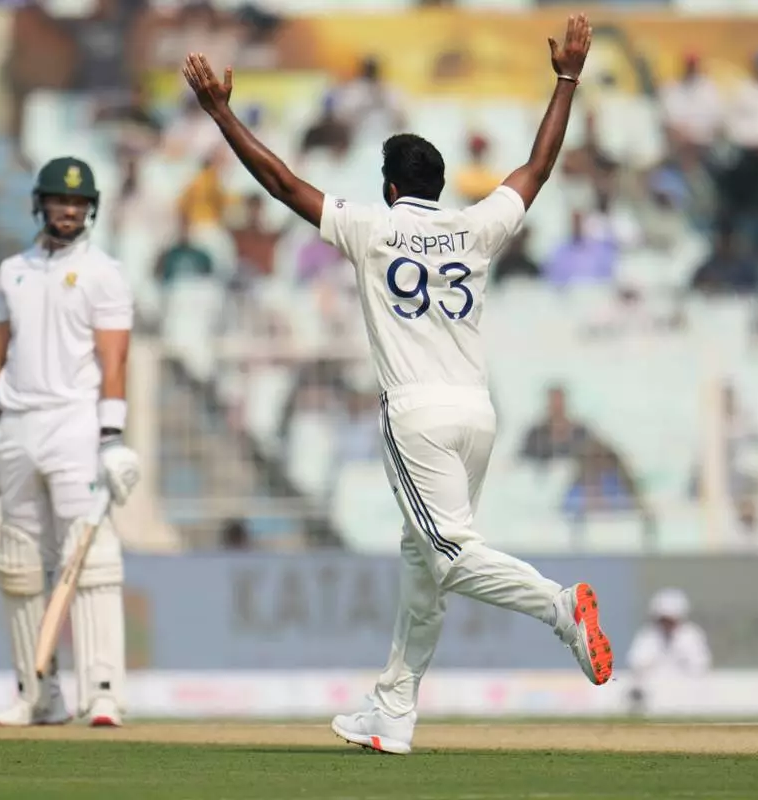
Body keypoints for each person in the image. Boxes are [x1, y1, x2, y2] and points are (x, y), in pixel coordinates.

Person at [181, 14, 609, 757]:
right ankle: (392, 711)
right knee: (423, 563)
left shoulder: (372, 228)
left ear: (388, 186)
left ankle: (558, 607)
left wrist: (222, 114)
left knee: (449, 556)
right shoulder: (475, 227)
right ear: (438, 185)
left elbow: (282, 184)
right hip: (478, 416)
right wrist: (567, 78)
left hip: (417, 416)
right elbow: (537, 169)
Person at [0, 157, 141, 728]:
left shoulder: (104, 273)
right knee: (18, 563)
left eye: (79, 202)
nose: (69, 210)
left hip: (75, 424)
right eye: (60, 200)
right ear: (40, 204)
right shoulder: (12, 270)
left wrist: (112, 437)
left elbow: (115, 360)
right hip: (17, 425)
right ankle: (38, 694)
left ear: (91, 209)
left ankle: (104, 691)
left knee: (92, 556)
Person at [626, 588, 711, 678]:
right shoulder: (648, 635)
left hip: (685, 683)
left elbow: (701, 664)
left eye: (671, 620)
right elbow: (635, 662)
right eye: (663, 620)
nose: (666, 624)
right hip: (654, 683)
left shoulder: (692, 635)